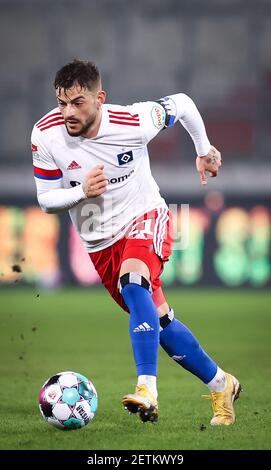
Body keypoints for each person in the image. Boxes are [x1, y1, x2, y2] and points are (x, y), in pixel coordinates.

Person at [31, 59, 241, 425]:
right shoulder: (45, 135)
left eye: (77, 102)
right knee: (159, 323)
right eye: (62, 102)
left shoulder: (133, 121)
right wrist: (81, 191)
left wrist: (203, 151)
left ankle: (147, 389)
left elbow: (184, 104)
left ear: (100, 98)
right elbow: (47, 199)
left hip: (146, 216)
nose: (67, 112)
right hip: (100, 245)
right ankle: (221, 383)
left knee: (134, 282)